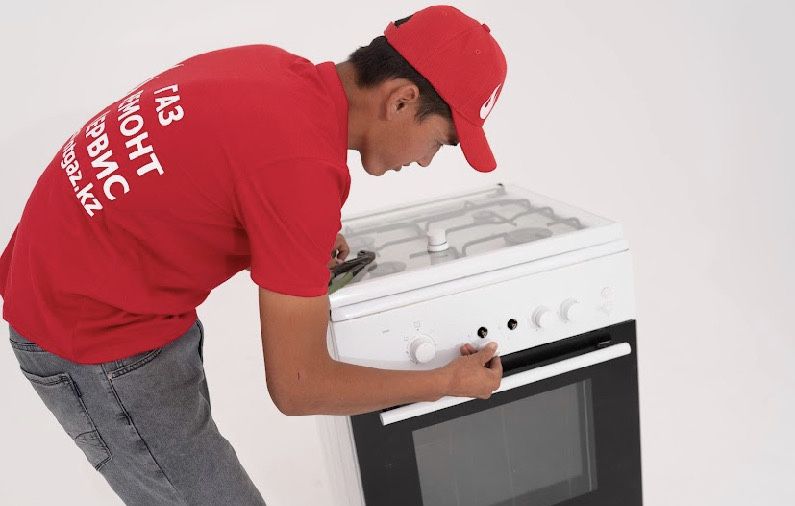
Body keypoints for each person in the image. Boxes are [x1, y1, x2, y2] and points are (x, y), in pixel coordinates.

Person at [0, 5, 507, 505]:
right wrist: (444, 382)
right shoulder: (302, 173)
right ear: (401, 101)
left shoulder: (274, 69)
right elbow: (298, 386)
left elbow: (218, 158)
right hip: (91, 334)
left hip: (65, 275)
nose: (425, 161)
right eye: (439, 143)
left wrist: (300, 231)